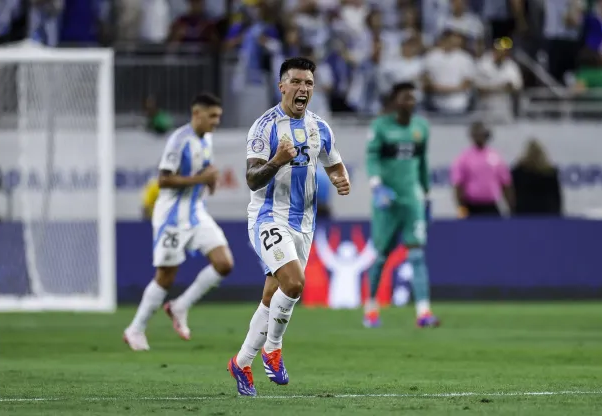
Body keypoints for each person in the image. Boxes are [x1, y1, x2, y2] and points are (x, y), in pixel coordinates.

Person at [227, 57, 350, 397]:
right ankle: (273, 349)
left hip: (304, 224)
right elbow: (252, 179)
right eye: (296, 82)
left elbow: (334, 162)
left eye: (308, 83)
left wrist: (341, 179)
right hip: (269, 216)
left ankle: (241, 363)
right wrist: (277, 161)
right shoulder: (264, 126)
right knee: (294, 283)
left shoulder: (320, 127)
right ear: (281, 86)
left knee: (271, 298)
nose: (303, 89)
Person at [123, 93, 233, 351]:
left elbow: (204, 168)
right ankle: (135, 329)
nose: (216, 122)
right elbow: (163, 180)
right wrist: (199, 179)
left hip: (196, 212)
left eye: (219, 116)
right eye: (212, 116)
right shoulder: (178, 141)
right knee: (166, 276)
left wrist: (210, 179)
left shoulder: (206, 139)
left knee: (224, 263)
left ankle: (180, 305)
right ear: (197, 114)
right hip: (171, 216)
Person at [363, 82, 439, 329]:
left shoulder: (421, 127)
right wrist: (376, 186)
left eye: (413, 98)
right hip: (387, 200)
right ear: (395, 101)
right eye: (406, 98)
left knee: (416, 254)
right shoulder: (381, 127)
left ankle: (423, 312)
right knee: (382, 256)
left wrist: (426, 191)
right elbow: (372, 158)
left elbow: (422, 161)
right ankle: (372, 307)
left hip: (412, 200)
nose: (411, 102)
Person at [451, 121, 515, 217]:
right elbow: (458, 185)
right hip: (471, 206)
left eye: (481, 133)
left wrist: (512, 208)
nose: (479, 136)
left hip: (491, 206)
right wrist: (461, 209)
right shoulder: (464, 158)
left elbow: (505, 184)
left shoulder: (496, 157)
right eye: (476, 134)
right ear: (472, 136)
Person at [511, 139, 562, 216]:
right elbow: (557, 196)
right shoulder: (550, 172)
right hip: (546, 212)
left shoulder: (518, 171)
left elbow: (513, 195)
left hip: (524, 213)